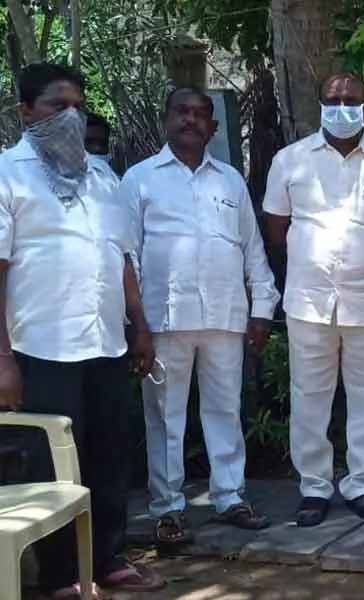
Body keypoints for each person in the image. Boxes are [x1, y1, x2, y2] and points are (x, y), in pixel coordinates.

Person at [0, 63, 163, 598]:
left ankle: (108, 557)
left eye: (78, 106)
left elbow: (122, 261)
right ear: (26, 112)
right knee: (49, 463)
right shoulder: (8, 174)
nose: (70, 116)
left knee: (110, 452)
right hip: (40, 345)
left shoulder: (101, 177)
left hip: (105, 341)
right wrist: (2, 360)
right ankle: (63, 575)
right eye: (55, 105)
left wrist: (139, 326)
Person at [120, 86, 280, 544]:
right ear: (165, 119)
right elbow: (126, 255)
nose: (191, 120)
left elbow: (252, 248)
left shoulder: (229, 180)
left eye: (200, 114)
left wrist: (263, 308)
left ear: (213, 125)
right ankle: (168, 509)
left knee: (225, 411)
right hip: (164, 320)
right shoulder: (140, 179)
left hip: (225, 317)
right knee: (165, 418)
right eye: (182, 112)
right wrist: (138, 326)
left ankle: (230, 497)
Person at [263, 72, 364, 526]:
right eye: (332, 99)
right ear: (318, 103)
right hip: (309, 302)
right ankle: (315, 486)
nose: (341, 106)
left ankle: (362, 482)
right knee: (310, 395)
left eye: (350, 99)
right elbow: (275, 228)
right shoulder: (289, 161)